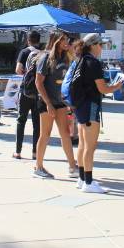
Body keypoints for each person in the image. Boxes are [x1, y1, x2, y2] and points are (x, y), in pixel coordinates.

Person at [73, 33, 124, 193]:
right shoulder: (93, 63)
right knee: (90, 145)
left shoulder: (80, 60)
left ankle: (82, 179)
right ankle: (88, 182)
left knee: (82, 144)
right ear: (93, 45)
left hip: (80, 106)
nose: (102, 48)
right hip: (90, 106)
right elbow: (102, 88)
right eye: (100, 45)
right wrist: (117, 86)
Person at [33, 31, 77, 179]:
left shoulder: (65, 57)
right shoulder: (46, 57)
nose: (67, 42)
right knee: (45, 134)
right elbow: (38, 83)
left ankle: (72, 165)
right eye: (63, 40)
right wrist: (48, 104)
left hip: (60, 102)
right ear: (56, 41)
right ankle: (38, 167)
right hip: (46, 102)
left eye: (67, 40)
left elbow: (67, 81)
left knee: (65, 133)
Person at [14, 30, 42, 160]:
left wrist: (26, 73)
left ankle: (18, 152)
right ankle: (35, 153)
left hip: (25, 91)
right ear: (39, 40)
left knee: (21, 121)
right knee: (37, 124)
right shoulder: (42, 53)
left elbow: (18, 70)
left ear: (28, 40)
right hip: (38, 92)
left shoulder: (24, 52)